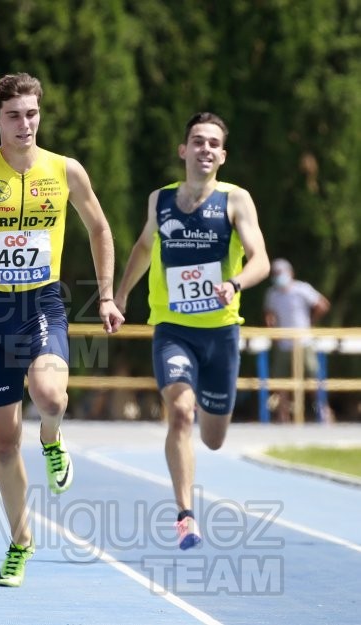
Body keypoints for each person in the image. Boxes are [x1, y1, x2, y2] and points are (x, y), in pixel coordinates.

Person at [0, 73, 124, 587]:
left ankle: (53, 437)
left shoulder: (65, 171)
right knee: (1, 442)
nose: (25, 124)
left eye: (32, 114)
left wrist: (106, 295)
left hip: (42, 301)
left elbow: (100, 228)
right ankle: (20, 541)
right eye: (14, 115)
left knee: (50, 396)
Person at [114, 112, 270, 551]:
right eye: (197, 141)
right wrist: (121, 295)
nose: (205, 149)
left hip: (221, 333)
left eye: (213, 144)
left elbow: (260, 259)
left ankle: (211, 416)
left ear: (222, 156)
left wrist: (235, 282)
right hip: (173, 329)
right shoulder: (159, 200)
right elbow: (145, 247)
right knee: (180, 412)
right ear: (183, 150)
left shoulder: (236, 199)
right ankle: (185, 515)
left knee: (214, 438)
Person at [263, 258, 331, 422]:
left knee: (313, 378)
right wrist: (273, 330)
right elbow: (269, 315)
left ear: (290, 273)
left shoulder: (302, 289)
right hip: (284, 343)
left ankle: (323, 412)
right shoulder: (272, 294)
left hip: (304, 341)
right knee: (281, 382)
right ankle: (283, 416)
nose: (278, 276)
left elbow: (322, 304)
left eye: (281, 272)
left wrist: (311, 321)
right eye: (275, 273)